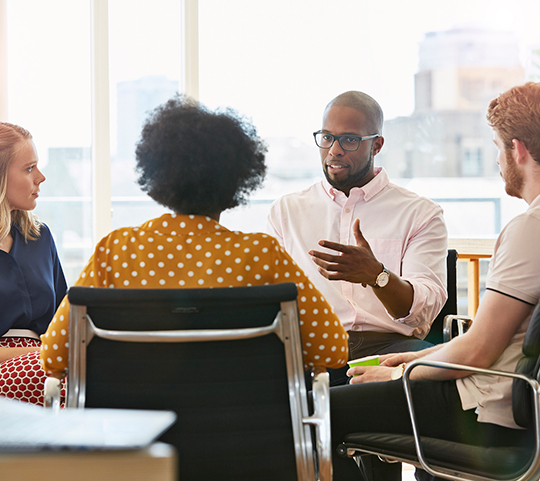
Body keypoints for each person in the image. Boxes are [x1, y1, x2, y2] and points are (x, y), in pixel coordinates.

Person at [41, 95, 349, 378]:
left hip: (136, 429)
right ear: (236, 181)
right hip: (244, 430)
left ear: (158, 176)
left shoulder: (117, 251)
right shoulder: (260, 255)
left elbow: (55, 354)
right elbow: (333, 349)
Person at [329, 81, 540, 481]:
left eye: (496, 147)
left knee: (317, 411)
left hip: (485, 409)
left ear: (518, 150)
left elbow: (478, 351)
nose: (497, 161)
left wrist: (396, 374)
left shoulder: (529, 229)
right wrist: (413, 359)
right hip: (501, 395)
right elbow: (489, 341)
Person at [266, 91, 448, 385]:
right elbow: (270, 297)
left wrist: (377, 276)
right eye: (326, 137)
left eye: (349, 139)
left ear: (376, 144)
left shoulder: (420, 213)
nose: (334, 150)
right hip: (311, 350)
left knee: (433, 381)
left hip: (388, 348)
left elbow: (422, 314)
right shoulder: (287, 211)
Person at [0, 122, 67, 405]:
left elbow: (65, 319)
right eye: (29, 168)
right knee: (56, 378)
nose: (41, 177)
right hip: (36, 364)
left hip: (43, 361)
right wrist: (39, 354)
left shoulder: (40, 237)